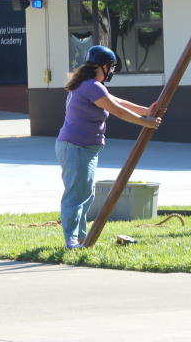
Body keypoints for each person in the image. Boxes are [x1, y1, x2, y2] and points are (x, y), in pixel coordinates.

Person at [56, 45, 161, 249]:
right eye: (111, 67)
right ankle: (71, 241)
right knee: (76, 195)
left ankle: (80, 238)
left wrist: (145, 111)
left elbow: (116, 101)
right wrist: (145, 121)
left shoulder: (90, 84)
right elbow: (117, 111)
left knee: (86, 194)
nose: (111, 72)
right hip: (76, 147)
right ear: (103, 66)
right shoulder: (91, 86)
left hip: (82, 148)